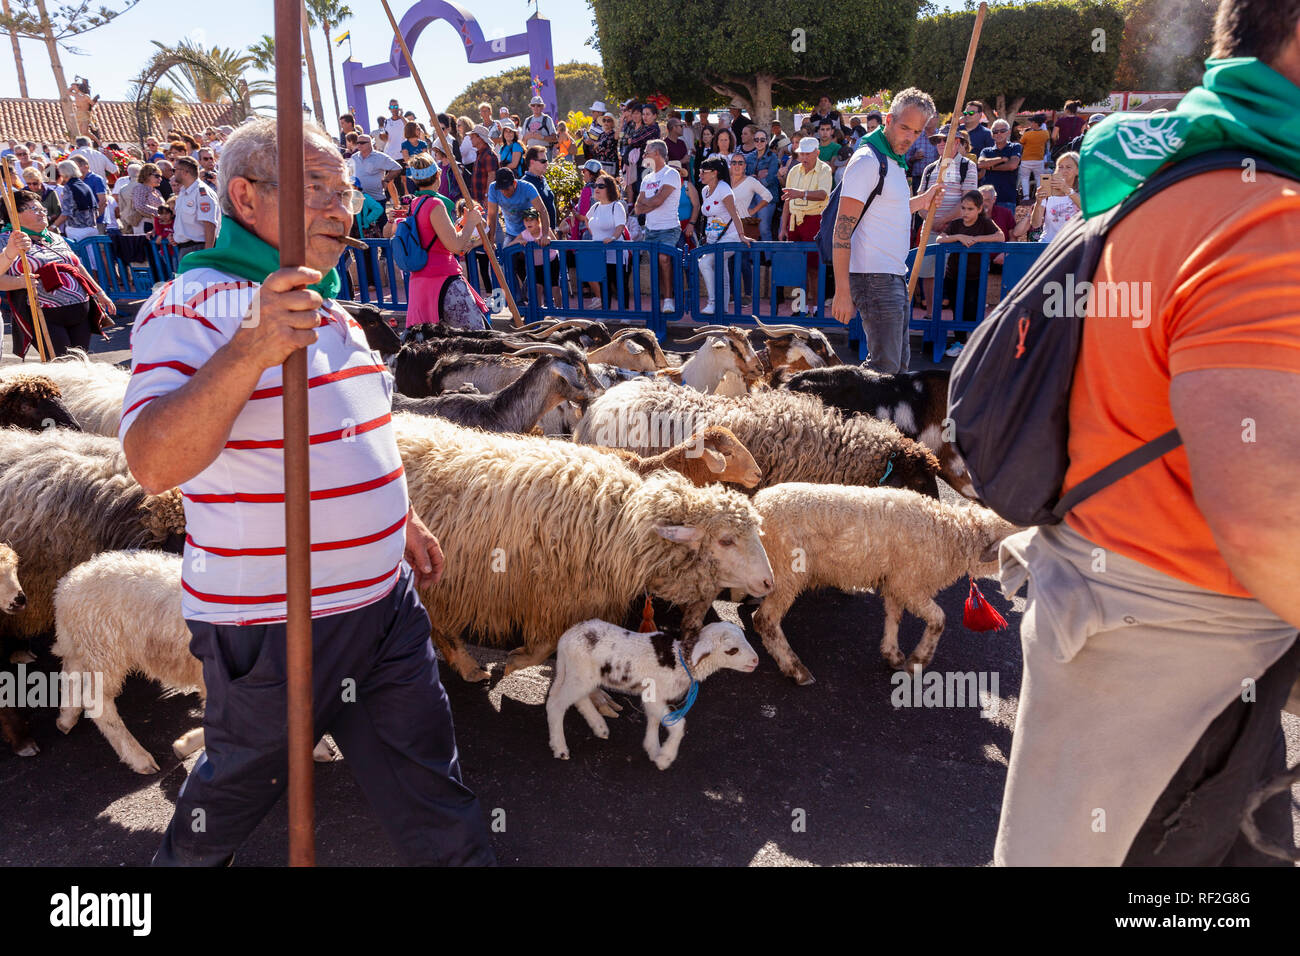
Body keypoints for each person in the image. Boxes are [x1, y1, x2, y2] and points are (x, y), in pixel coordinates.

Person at [120, 117, 495, 867]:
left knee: (429, 781)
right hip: (274, 617)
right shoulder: (186, 305)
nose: (340, 207)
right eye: (316, 188)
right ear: (244, 197)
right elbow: (153, 462)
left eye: (345, 189)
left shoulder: (334, 310)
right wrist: (253, 347)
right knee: (231, 795)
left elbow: (356, 434)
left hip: (384, 603)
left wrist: (402, 519)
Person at [994, 0, 1300, 867]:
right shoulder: (1265, 215)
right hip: (1182, 670)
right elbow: (1268, 509)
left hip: (1119, 618)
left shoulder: (1170, 182)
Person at [829, 88, 945, 372]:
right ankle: (857, 415)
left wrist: (923, 200)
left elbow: (890, 210)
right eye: (905, 127)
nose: (909, 137)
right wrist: (842, 290)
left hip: (893, 275)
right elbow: (842, 229)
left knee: (898, 370)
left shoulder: (893, 161)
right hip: (873, 277)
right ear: (889, 119)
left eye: (916, 132)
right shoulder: (868, 160)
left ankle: (878, 416)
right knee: (885, 370)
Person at [0, 189, 116, 356]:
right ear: (14, 215)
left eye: (42, 209)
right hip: (45, 315)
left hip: (79, 310)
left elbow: (77, 267)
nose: (42, 213)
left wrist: (99, 292)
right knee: (61, 363)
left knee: (80, 362)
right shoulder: (6, 240)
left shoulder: (54, 237)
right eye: (34, 209)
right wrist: (20, 282)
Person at [403, 166, 488, 330]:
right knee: (477, 338)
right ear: (438, 175)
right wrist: (471, 222)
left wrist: (463, 223)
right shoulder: (435, 204)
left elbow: (438, 239)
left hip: (421, 284)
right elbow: (456, 246)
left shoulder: (415, 203)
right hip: (443, 280)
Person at [915, 126, 977, 313]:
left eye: (944, 140)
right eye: (937, 141)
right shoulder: (929, 168)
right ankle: (930, 316)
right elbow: (920, 202)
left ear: (957, 142)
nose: (940, 144)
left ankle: (954, 328)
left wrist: (945, 221)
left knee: (954, 277)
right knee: (928, 273)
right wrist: (932, 221)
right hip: (930, 230)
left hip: (956, 230)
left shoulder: (967, 166)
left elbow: (968, 201)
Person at [937, 188, 1004, 354]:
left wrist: (977, 239)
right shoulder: (956, 224)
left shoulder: (985, 223)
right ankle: (959, 341)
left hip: (975, 277)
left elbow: (1000, 236)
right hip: (954, 274)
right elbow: (940, 239)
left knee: (972, 308)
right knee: (955, 307)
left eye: (970, 209)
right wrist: (959, 237)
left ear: (979, 209)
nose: (966, 212)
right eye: (963, 208)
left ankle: (974, 343)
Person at [778, 136, 832, 315]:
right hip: (795, 221)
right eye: (802, 154)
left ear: (817, 153)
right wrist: (783, 227)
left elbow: (823, 195)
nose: (804, 157)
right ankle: (799, 307)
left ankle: (816, 308)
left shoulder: (825, 169)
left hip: (815, 220)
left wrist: (799, 193)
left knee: (814, 268)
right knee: (797, 267)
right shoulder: (794, 170)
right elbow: (787, 200)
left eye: (808, 154)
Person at [696, 154, 751, 315]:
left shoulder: (724, 189)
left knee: (704, 263)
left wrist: (742, 235)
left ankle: (713, 303)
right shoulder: (705, 190)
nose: (700, 174)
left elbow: (735, 214)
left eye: (703, 171)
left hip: (730, 237)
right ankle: (724, 311)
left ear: (714, 173)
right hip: (714, 239)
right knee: (723, 274)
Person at [633, 139, 682, 312]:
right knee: (655, 264)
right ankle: (661, 299)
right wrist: (650, 203)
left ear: (656, 154)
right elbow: (637, 208)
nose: (644, 155)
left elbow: (659, 200)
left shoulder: (671, 174)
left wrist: (648, 202)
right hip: (651, 229)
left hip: (669, 228)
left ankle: (669, 299)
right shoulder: (647, 177)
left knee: (664, 259)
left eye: (646, 152)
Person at [575, 172, 628, 308]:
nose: (596, 188)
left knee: (619, 284)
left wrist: (612, 238)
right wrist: (596, 236)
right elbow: (586, 219)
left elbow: (620, 226)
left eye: (601, 186)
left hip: (616, 253)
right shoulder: (596, 206)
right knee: (604, 284)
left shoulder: (617, 206)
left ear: (610, 189)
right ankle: (605, 312)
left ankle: (625, 313)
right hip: (599, 253)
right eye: (595, 185)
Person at [485, 166, 550, 249]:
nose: (504, 192)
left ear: (514, 184)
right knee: (506, 253)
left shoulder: (527, 187)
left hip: (532, 231)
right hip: (512, 232)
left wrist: (545, 235)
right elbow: (492, 216)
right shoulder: (493, 188)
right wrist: (490, 241)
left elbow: (542, 210)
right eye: (502, 189)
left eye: (507, 189)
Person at [170, 155, 221, 259]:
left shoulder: (202, 192)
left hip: (198, 249)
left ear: (185, 172)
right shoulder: (183, 192)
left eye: (174, 169)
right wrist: (176, 236)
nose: (173, 173)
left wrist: (207, 255)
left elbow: (210, 225)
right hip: (185, 249)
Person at [1025, 150, 1080, 244]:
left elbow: (1088, 211)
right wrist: (1038, 202)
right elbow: (1035, 224)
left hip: (1073, 245)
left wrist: (1067, 189)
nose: (1064, 170)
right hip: (1048, 245)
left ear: (1078, 171)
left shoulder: (1083, 192)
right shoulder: (1048, 191)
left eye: (1068, 167)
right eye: (1060, 167)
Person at [977, 119, 1022, 211]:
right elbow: (980, 164)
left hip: (1007, 198)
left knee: (1006, 225)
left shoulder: (1015, 147)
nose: (998, 134)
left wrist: (990, 166)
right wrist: (1001, 159)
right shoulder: (986, 150)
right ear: (991, 134)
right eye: (995, 131)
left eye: (1002, 131)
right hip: (986, 199)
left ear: (1008, 132)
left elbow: (1012, 165)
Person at [53, 160, 100, 245]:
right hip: (92, 228)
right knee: (93, 256)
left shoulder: (68, 187)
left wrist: (53, 227)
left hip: (76, 229)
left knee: (81, 257)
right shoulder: (85, 186)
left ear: (63, 173)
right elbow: (96, 210)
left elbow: (65, 213)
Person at [349, 134, 402, 203]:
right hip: (359, 199)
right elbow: (350, 173)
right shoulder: (354, 157)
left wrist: (386, 180)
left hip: (376, 199)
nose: (359, 144)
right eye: (357, 142)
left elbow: (397, 168)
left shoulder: (380, 157)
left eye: (362, 143)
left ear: (370, 143)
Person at [521, 146, 557, 233]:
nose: (546, 164)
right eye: (543, 161)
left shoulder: (542, 179)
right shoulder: (524, 183)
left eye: (547, 161)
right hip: (537, 236)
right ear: (532, 162)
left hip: (549, 233)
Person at [1017, 113, 1051, 203]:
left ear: (1036, 123)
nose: (1031, 123)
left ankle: (1026, 197)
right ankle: (1039, 196)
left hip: (1026, 160)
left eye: (1032, 122)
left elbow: (1021, 143)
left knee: (1025, 178)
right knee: (1039, 178)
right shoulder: (1045, 134)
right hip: (1039, 160)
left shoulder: (1027, 134)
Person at [672, 159, 700, 249]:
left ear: (680, 173)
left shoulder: (688, 186)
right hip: (670, 228)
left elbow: (697, 206)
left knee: (689, 255)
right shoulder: (664, 188)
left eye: (676, 171)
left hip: (686, 226)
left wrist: (691, 224)